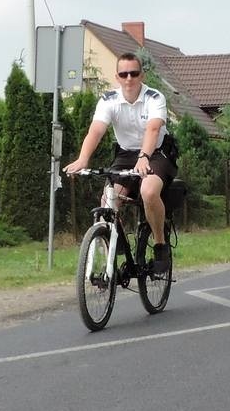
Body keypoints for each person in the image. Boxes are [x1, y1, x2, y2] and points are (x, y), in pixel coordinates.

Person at [63, 52, 177, 274]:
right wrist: (83, 158)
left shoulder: (155, 98)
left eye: (134, 73)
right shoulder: (109, 100)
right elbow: (96, 131)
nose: (129, 79)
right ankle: (113, 248)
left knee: (148, 191)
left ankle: (161, 244)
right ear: (117, 76)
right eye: (123, 74)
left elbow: (153, 129)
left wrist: (144, 157)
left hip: (156, 152)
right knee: (109, 199)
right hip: (126, 153)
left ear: (141, 75)